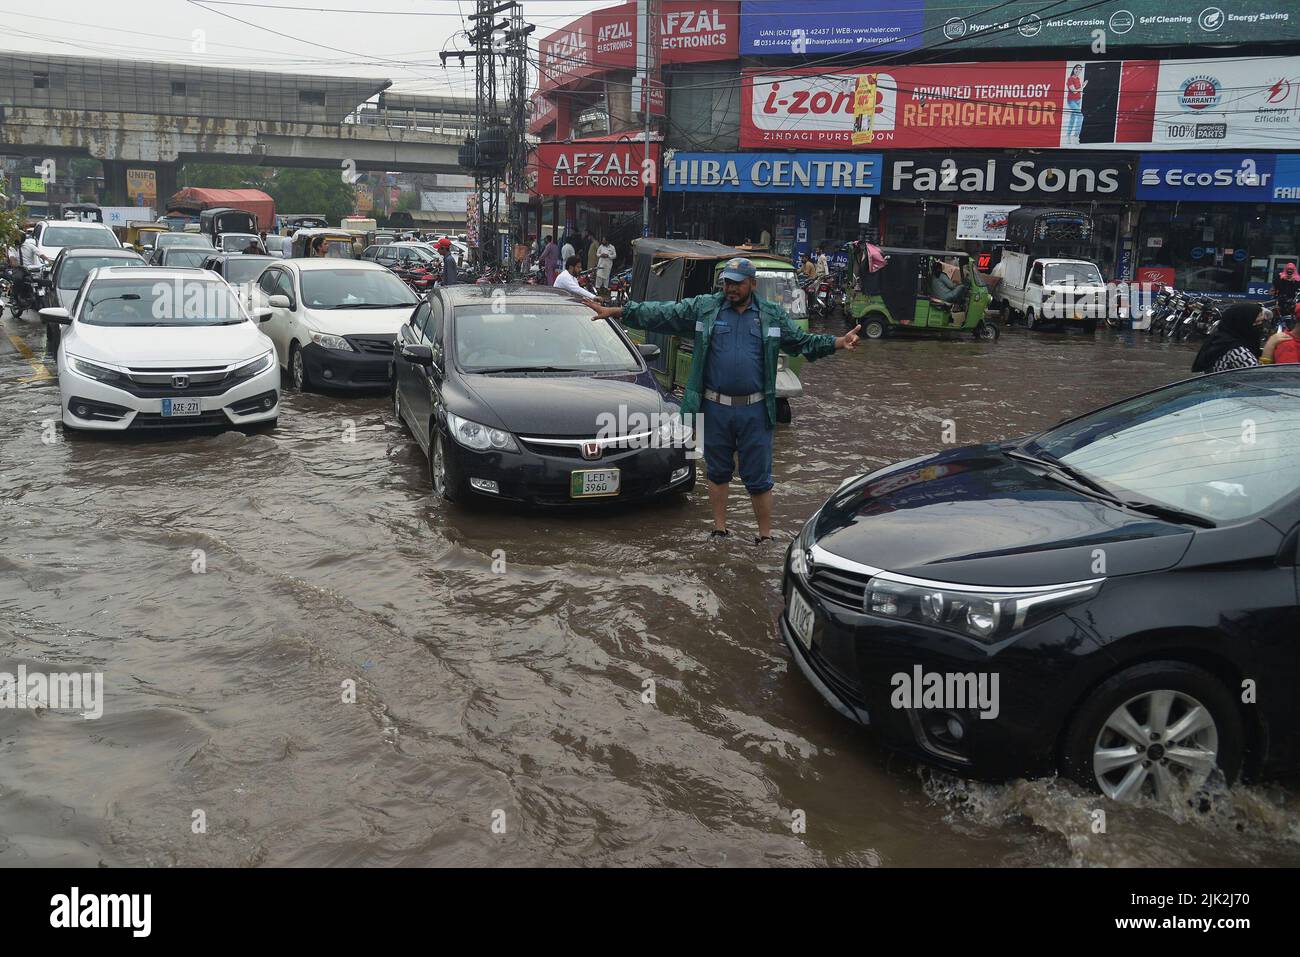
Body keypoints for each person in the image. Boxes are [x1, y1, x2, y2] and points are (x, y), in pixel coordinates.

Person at [585, 257, 862, 543]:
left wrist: (839, 342)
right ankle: (719, 530)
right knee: (717, 472)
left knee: (760, 478)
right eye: (727, 282)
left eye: (737, 283)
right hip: (714, 408)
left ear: (752, 284)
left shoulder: (770, 315)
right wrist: (617, 310)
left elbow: (802, 342)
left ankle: (764, 537)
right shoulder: (707, 308)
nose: (730, 288)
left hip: (755, 410)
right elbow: (664, 313)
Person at [1192, 302, 1265, 373]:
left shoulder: (1217, 340)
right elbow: (1259, 375)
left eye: (1261, 322)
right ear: (1241, 323)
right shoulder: (1237, 351)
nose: (1260, 326)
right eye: (1256, 322)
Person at [1272, 262, 1298, 331]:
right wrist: (1283, 279)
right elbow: (1276, 286)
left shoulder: (1297, 278)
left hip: (1291, 299)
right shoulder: (1280, 276)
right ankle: (1274, 327)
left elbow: (1297, 289)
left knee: (1290, 315)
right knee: (1277, 313)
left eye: (1291, 270)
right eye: (1288, 269)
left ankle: (1289, 328)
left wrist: (1293, 281)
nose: (1290, 271)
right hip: (1280, 298)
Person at [1064, 64, 1086, 145]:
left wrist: (1081, 92)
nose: (1078, 70)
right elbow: (1074, 91)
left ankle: (1068, 136)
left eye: (1080, 69)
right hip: (1071, 101)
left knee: (1072, 118)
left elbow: (1078, 91)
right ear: (1074, 69)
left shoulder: (1078, 79)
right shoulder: (1070, 79)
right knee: (1080, 116)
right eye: (1077, 69)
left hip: (1078, 100)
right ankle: (1076, 136)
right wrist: (1083, 86)